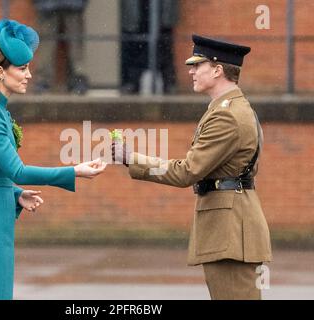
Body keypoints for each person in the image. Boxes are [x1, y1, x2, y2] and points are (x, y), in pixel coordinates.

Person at [0, 19, 106, 300]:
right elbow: (16, 170)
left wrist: (15, 194)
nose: (29, 75)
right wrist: (74, 171)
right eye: (22, 68)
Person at [112, 34, 272, 300]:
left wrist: (132, 159)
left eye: (198, 65)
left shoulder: (226, 115)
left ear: (218, 69)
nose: (191, 71)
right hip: (231, 230)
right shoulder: (229, 108)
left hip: (230, 232)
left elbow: (187, 172)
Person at [120, 0, 179, 94]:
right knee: (134, 42)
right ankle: (131, 81)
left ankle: (168, 81)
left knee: (163, 43)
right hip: (139, 9)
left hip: (160, 10)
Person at [33, 0, 89, 94]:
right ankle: (78, 81)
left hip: (47, 5)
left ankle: (43, 83)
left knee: (47, 44)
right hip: (72, 5)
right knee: (75, 42)